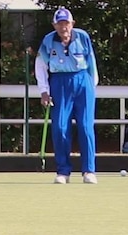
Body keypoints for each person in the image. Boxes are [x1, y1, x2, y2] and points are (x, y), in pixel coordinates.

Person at [35, 7, 99, 184]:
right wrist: (44, 91)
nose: (63, 27)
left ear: (72, 24)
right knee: (60, 127)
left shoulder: (82, 37)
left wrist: (92, 86)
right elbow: (40, 66)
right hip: (60, 82)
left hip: (82, 80)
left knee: (86, 127)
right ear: (54, 25)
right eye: (60, 23)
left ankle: (89, 170)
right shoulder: (48, 41)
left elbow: (91, 62)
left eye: (66, 23)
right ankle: (63, 171)